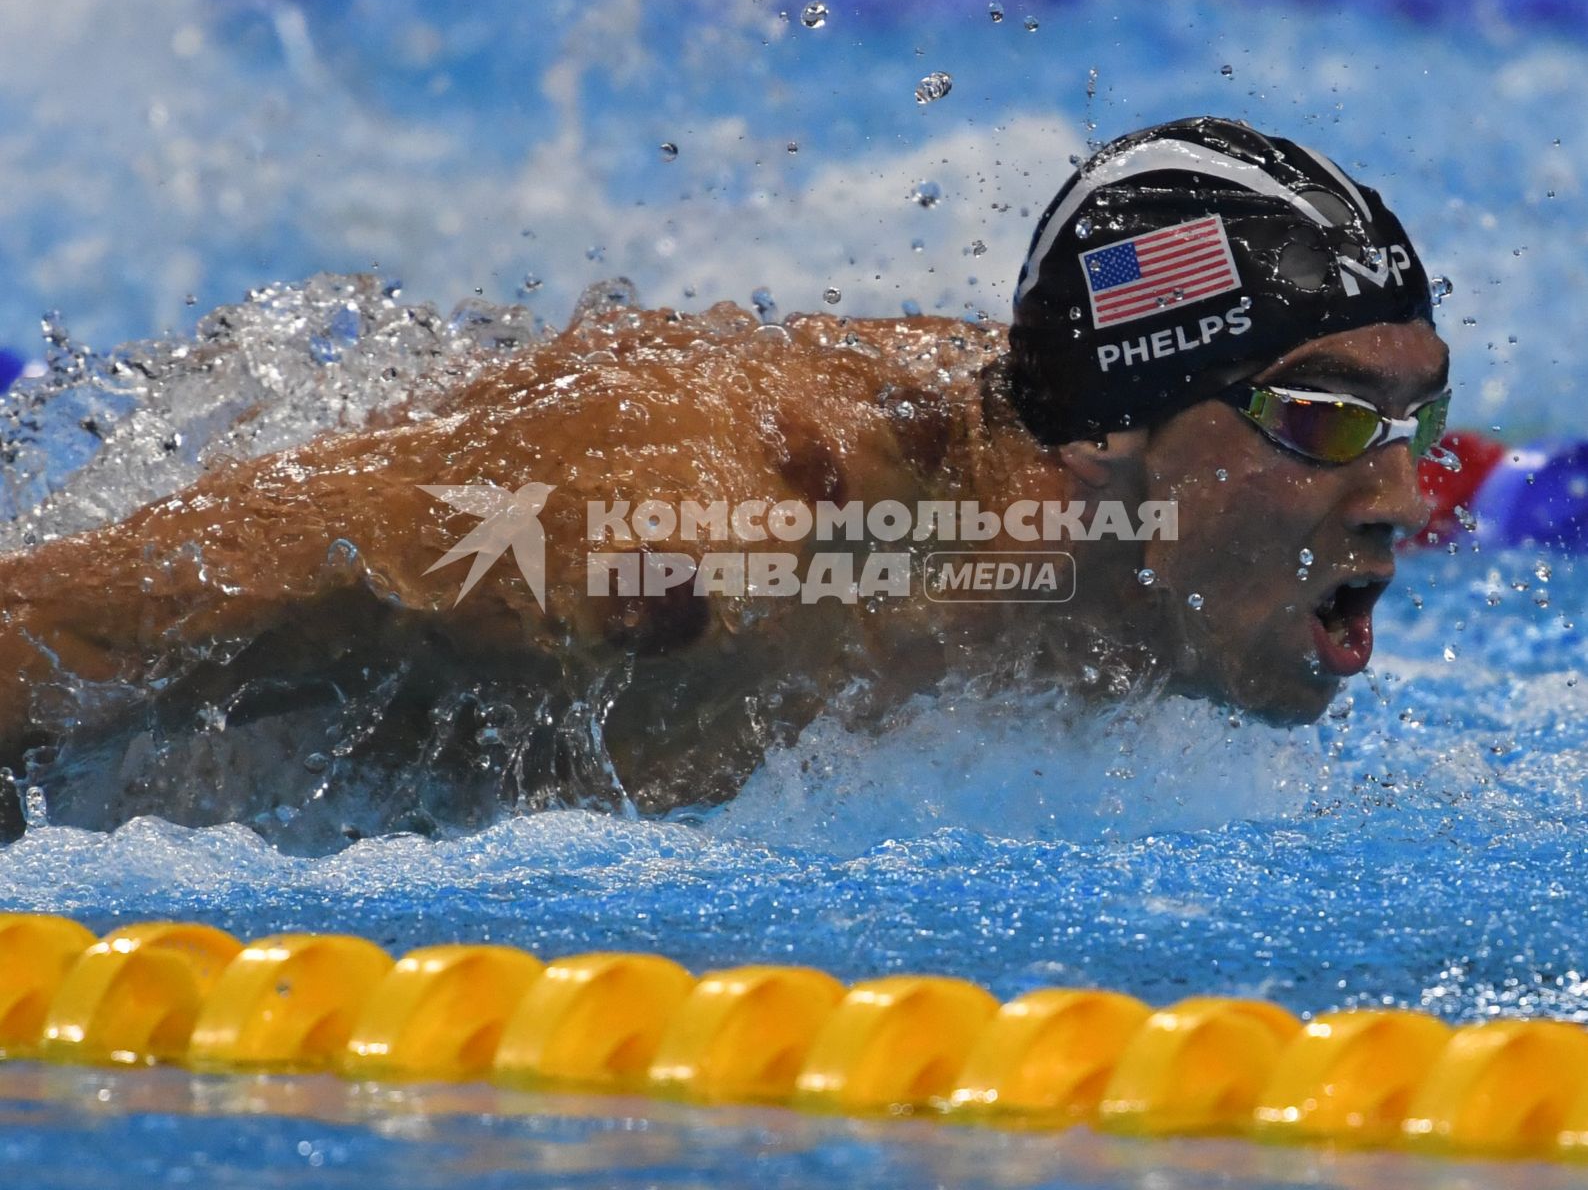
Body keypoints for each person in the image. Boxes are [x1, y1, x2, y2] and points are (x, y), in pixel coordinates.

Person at [0, 117, 1450, 842]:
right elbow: (99, 618)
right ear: (1121, 430)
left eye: (1416, 416)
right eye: (1325, 418)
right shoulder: (702, 534)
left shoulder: (1140, 579)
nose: (1400, 496)